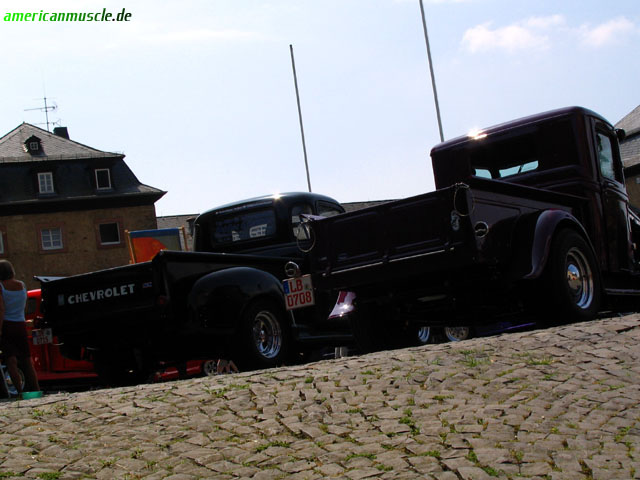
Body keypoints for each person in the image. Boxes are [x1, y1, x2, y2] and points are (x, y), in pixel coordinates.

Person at [0, 260, 40, 395]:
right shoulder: (22, 285)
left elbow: (1, 309)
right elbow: (25, 305)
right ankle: (36, 389)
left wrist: (0, 329)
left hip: (7, 325)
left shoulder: (1, 287)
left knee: (11, 360)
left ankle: (19, 391)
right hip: (20, 324)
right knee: (27, 359)